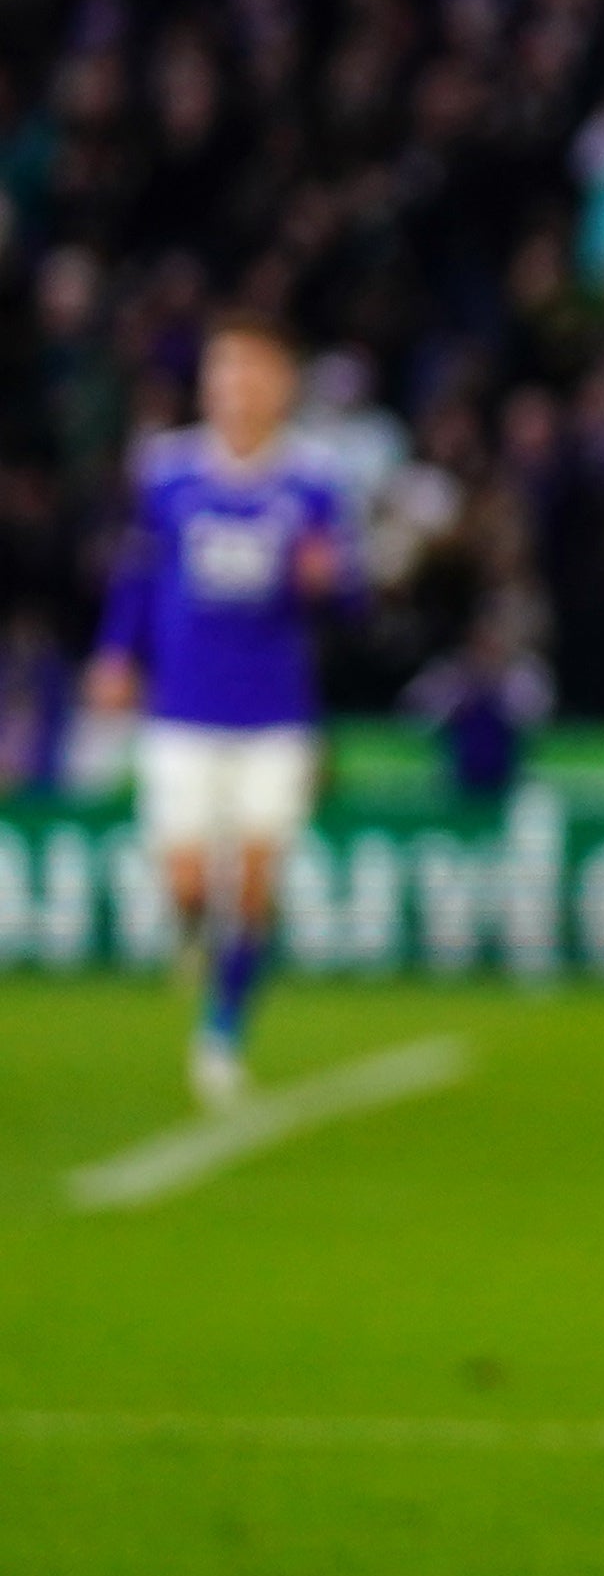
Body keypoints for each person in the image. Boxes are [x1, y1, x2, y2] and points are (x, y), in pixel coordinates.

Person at [86, 310, 346, 1107]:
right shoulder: (167, 474)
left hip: (275, 712)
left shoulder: (312, 482)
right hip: (184, 708)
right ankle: (195, 932)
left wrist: (328, 583)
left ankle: (222, 1031)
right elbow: (137, 577)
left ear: (282, 384)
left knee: (258, 882)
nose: (235, 388)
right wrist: (114, 652)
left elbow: (349, 598)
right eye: (223, 372)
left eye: (251, 372)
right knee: (192, 880)